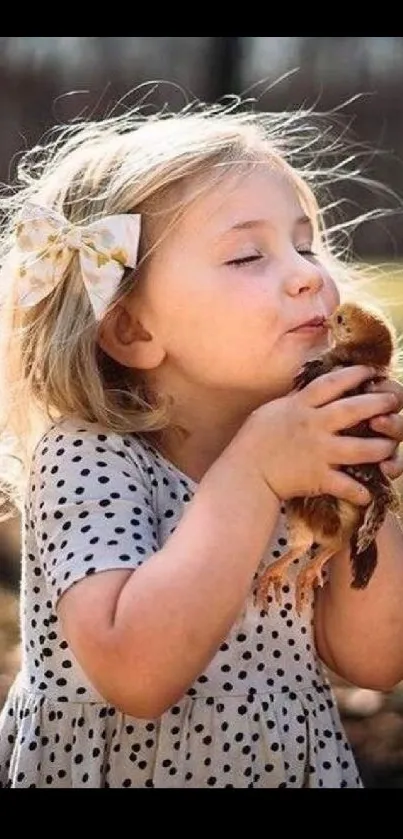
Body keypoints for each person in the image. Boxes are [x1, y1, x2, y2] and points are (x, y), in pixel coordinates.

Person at [0, 94, 402, 789]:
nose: (309, 273)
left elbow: (374, 657)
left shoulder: (295, 448)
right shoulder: (90, 457)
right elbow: (136, 673)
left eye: (304, 244)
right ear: (131, 330)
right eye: (248, 254)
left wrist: (370, 486)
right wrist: (252, 476)